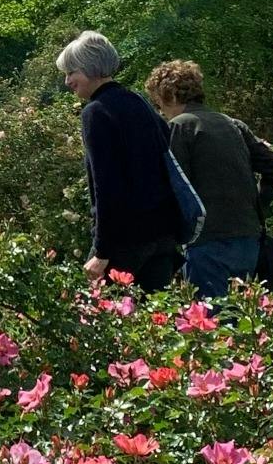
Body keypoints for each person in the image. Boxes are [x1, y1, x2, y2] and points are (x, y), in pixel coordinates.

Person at [143, 59, 273, 301]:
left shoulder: (180, 127)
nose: (160, 110)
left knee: (210, 325)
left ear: (168, 96)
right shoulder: (233, 125)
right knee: (244, 319)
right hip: (249, 239)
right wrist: (258, 207)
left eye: (159, 103)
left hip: (208, 241)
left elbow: (175, 186)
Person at [57, 31, 184, 290]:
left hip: (125, 240)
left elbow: (107, 186)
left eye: (72, 72)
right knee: (154, 321)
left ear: (91, 68)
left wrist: (101, 253)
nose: (67, 80)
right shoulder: (139, 103)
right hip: (162, 234)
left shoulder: (97, 111)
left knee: (102, 320)